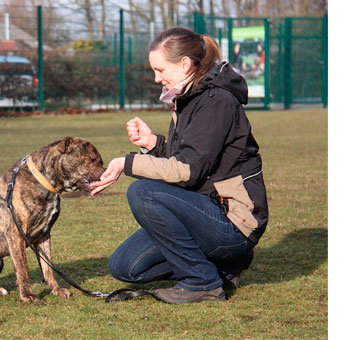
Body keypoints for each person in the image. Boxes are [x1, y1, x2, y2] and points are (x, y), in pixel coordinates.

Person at [90, 27, 268, 304]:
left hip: (233, 224)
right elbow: (184, 159)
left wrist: (127, 163)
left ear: (184, 63)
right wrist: (152, 144)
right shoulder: (190, 98)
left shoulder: (215, 101)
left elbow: (186, 172)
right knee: (125, 267)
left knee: (143, 192)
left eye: (160, 69)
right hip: (205, 211)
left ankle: (203, 281)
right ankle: (222, 267)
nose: (156, 77)